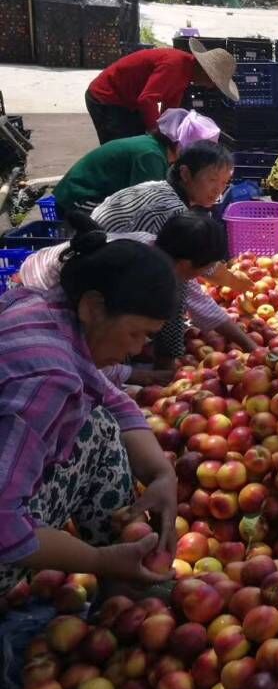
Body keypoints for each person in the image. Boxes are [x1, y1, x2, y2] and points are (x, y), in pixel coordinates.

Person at [0, 233, 181, 595]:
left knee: (97, 424)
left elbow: (111, 399)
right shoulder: (48, 379)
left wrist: (162, 474)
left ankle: (122, 560)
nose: (135, 350)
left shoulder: (45, 311)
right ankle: (117, 564)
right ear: (93, 307)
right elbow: (2, 522)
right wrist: (95, 562)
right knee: (97, 432)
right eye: (136, 334)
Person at [15, 211, 259, 382]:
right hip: (43, 281)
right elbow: (81, 360)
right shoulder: (141, 272)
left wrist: (250, 346)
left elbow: (202, 304)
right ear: (186, 264)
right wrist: (144, 375)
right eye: (204, 268)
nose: (206, 275)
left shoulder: (159, 257)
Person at [89, 142, 254, 300]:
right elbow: (188, 270)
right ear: (185, 174)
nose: (218, 189)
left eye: (224, 183)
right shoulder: (172, 212)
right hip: (100, 278)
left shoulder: (160, 187)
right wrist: (236, 283)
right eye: (212, 179)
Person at [54, 109, 221, 218]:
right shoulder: (150, 156)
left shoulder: (156, 150)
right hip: (79, 198)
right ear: (179, 146)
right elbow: (149, 205)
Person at [85, 40, 238, 145]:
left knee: (140, 141)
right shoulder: (174, 65)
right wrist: (156, 133)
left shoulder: (186, 75)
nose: (210, 87)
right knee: (121, 147)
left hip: (129, 102)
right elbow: (147, 100)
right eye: (212, 81)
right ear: (205, 72)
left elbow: (169, 111)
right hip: (107, 97)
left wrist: (170, 135)